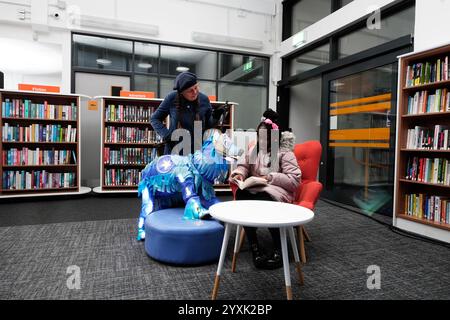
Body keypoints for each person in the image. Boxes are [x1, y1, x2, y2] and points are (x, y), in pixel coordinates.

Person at [229, 119, 301, 270]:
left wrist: (270, 178)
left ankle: (278, 250)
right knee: (242, 196)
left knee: (266, 201)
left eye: (265, 137)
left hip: (276, 192)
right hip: (256, 188)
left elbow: (294, 181)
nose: (261, 141)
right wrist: (239, 175)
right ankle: (255, 248)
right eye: (259, 136)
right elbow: (243, 166)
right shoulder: (254, 150)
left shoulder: (285, 153)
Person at [150, 71, 224, 155]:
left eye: (196, 88)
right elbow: (154, 119)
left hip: (197, 153)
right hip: (175, 151)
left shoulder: (204, 99)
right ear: (181, 93)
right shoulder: (171, 98)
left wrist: (216, 117)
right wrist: (167, 136)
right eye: (190, 91)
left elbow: (209, 125)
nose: (195, 92)